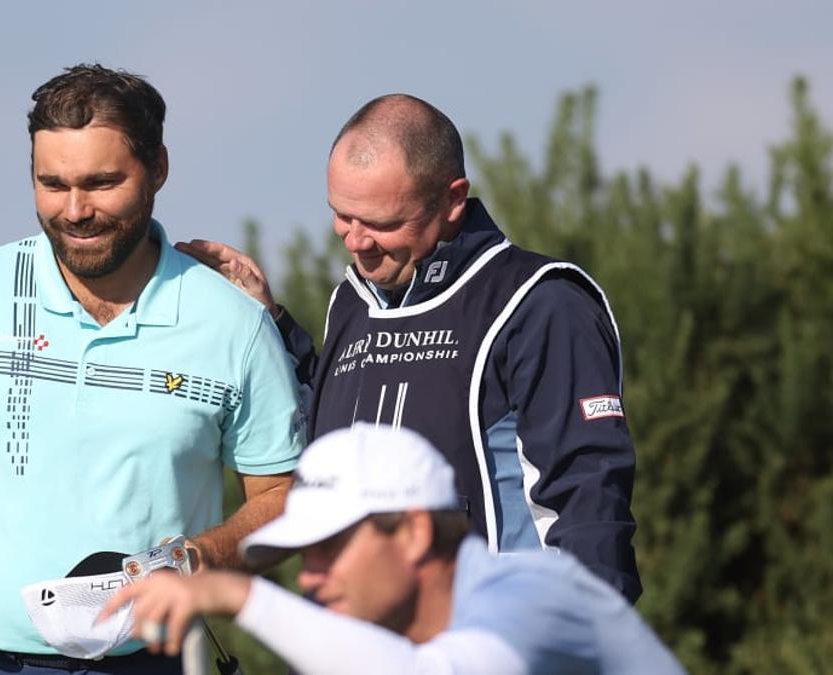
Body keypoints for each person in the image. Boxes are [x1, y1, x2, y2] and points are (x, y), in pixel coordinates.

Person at [0, 64, 305, 675]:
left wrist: (203, 556)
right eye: (52, 184)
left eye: (102, 183)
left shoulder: (234, 323)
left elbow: (283, 495)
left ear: (158, 169)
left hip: (153, 661)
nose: (75, 211)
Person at [178, 93, 641, 602]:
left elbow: (589, 490)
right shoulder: (353, 301)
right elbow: (329, 441)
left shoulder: (540, 301)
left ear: (452, 200)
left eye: (380, 223)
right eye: (342, 215)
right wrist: (270, 323)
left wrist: (591, 636)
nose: (356, 242)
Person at [101, 425, 683, 674]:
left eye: (330, 547)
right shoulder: (404, 636)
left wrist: (241, 595)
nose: (309, 577)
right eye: (306, 555)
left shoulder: (531, 595)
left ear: (414, 532)